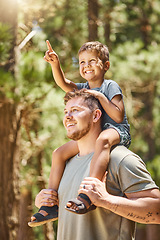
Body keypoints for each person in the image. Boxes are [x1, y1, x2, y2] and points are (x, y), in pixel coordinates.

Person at [31, 89, 160, 240]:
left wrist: (107, 201)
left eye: (75, 110)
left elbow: (157, 211)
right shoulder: (66, 163)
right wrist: (46, 200)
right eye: (65, 111)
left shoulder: (120, 158)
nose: (68, 116)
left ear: (96, 115)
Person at [28, 40, 131, 226]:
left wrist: (100, 96)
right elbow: (63, 83)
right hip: (93, 136)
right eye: (82, 62)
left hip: (116, 131)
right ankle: (50, 204)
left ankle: (88, 194)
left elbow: (118, 116)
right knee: (59, 153)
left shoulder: (110, 86)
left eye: (92, 61)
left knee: (102, 140)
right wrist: (55, 64)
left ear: (105, 65)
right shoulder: (84, 88)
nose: (86, 66)